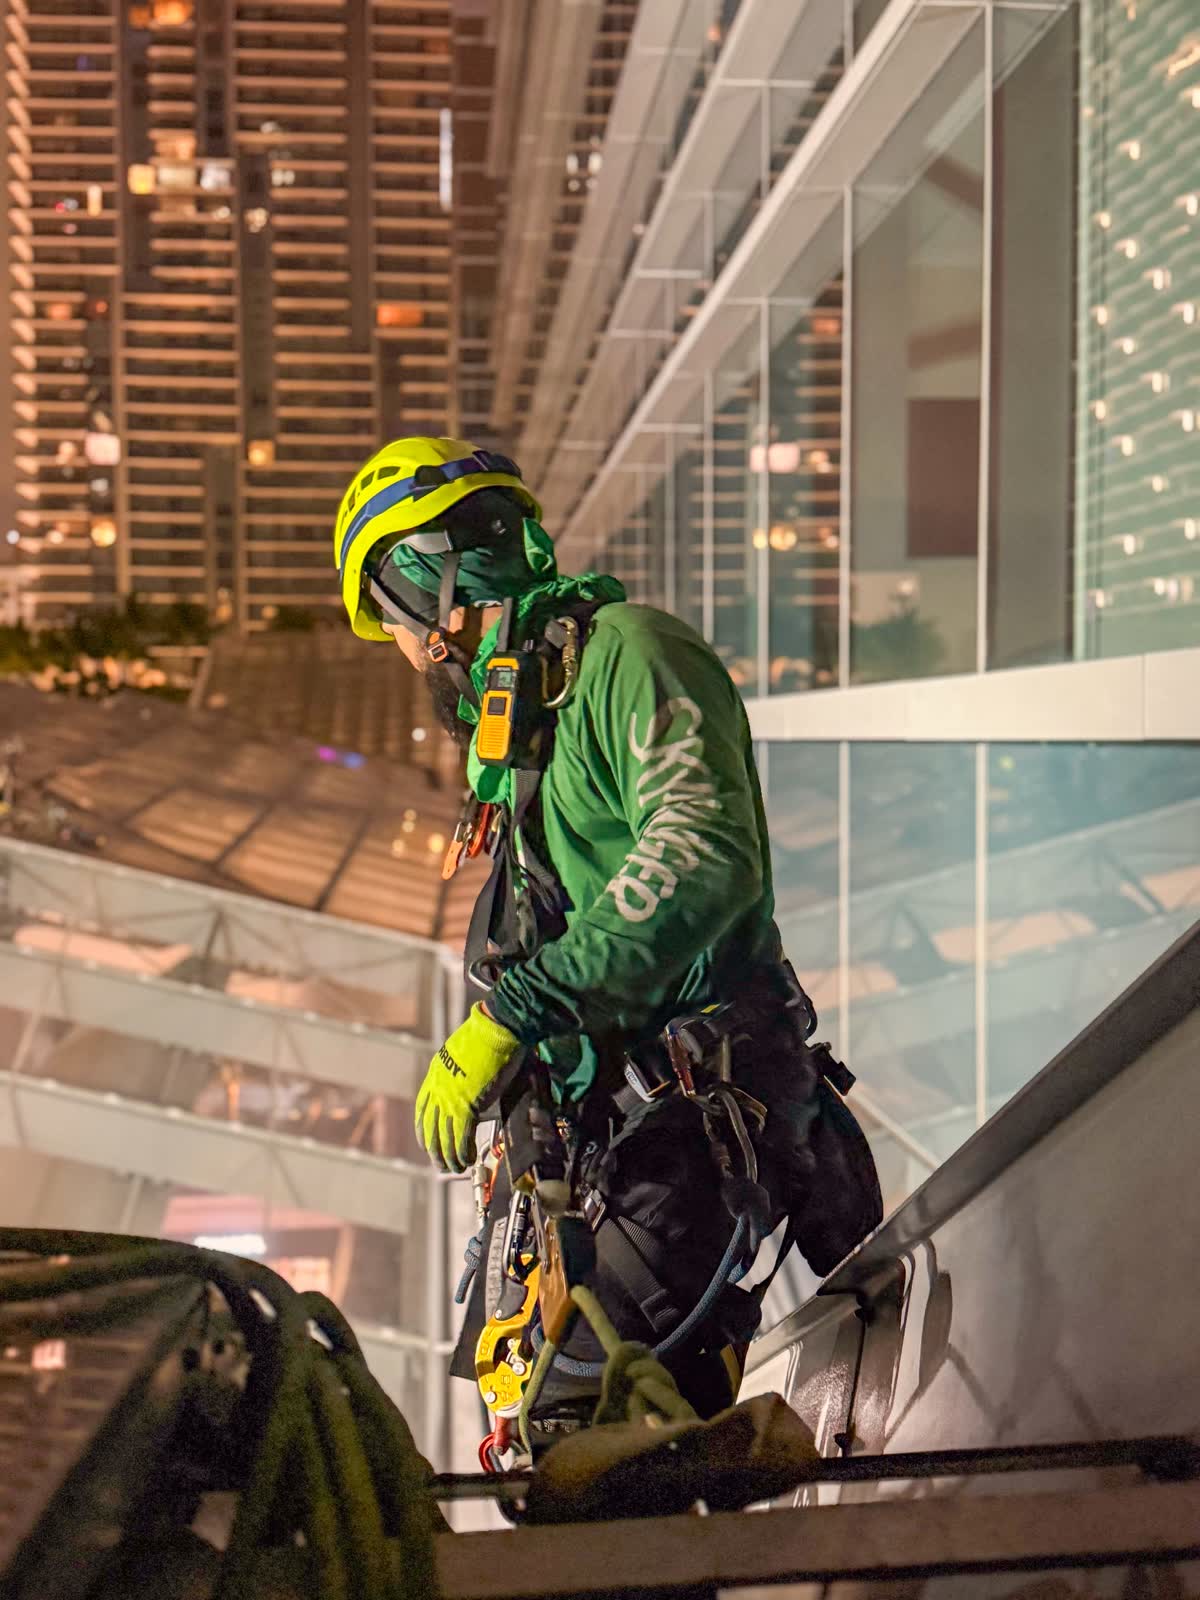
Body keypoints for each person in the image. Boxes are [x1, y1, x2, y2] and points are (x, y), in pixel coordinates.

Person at [333, 436, 882, 1441]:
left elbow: (704, 852)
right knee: (564, 1434)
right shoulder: (536, 723)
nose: (414, 657)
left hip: (692, 1125)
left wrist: (514, 1016)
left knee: (594, 1444)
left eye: (398, 627)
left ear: (424, 584)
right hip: (621, 1144)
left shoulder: (629, 653)